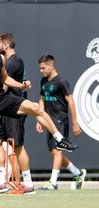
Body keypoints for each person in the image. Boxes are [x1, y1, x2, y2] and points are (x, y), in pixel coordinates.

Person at [0, 26, 77, 195]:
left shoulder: (0, 58)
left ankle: (59, 138)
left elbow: (5, 78)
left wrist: (21, 85)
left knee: (35, 107)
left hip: (2, 100)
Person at [0, 33, 35, 193]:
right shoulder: (10, 61)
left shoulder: (14, 61)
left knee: (18, 147)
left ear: (6, 45)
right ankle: (1, 182)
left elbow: (4, 86)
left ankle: (29, 185)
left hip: (15, 110)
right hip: (6, 110)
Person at [37, 55, 86, 190]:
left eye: (43, 68)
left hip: (61, 120)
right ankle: (78, 172)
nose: (41, 71)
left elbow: (70, 101)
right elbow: (41, 99)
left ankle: (53, 182)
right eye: (40, 68)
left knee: (57, 151)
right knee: (54, 153)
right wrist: (39, 119)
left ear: (51, 66)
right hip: (49, 122)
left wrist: (75, 123)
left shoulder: (61, 81)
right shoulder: (43, 81)